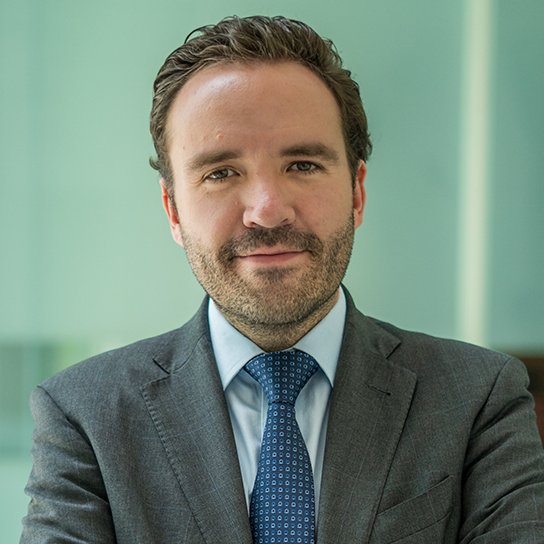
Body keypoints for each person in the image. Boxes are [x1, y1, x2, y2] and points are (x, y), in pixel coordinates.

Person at [20, 15, 544, 544]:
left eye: (303, 165)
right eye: (221, 173)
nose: (267, 210)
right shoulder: (84, 415)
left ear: (357, 191)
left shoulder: (478, 399)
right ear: (173, 209)